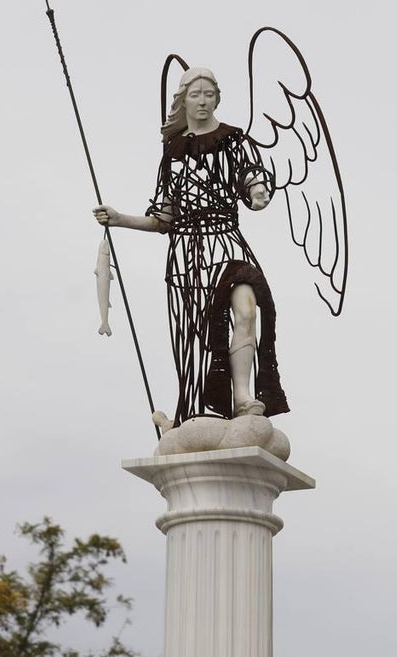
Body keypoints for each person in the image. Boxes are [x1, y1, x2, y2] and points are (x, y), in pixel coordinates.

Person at [93, 67, 287, 429]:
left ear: (217, 98)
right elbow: (164, 219)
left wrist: (257, 190)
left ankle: (243, 398)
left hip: (226, 242)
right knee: (199, 337)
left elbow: (250, 178)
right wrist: (119, 218)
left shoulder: (233, 141)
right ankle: (194, 416)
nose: (202, 101)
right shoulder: (174, 153)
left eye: (208, 94)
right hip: (188, 254)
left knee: (246, 310)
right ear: (183, 100)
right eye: (195, 95)